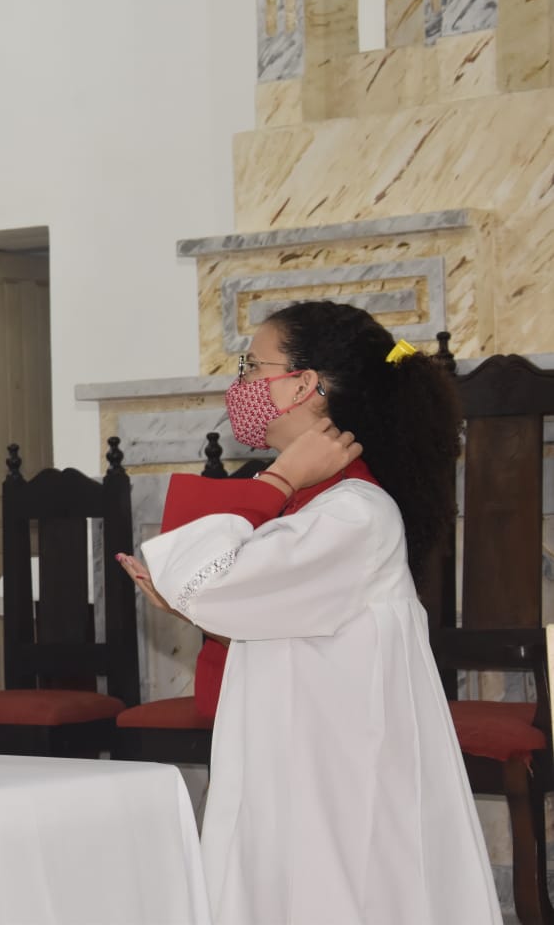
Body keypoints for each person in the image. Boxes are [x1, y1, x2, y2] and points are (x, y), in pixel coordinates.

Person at [118, 300, 498, 925]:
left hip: (333, 774)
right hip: (295, 753)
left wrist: (274, 485)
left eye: (251, 365)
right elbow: (244, 598)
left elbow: (212, 577)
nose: (238, 384)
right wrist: (202, 607)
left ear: (304, 384)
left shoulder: (351, 511)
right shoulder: (318, 504)